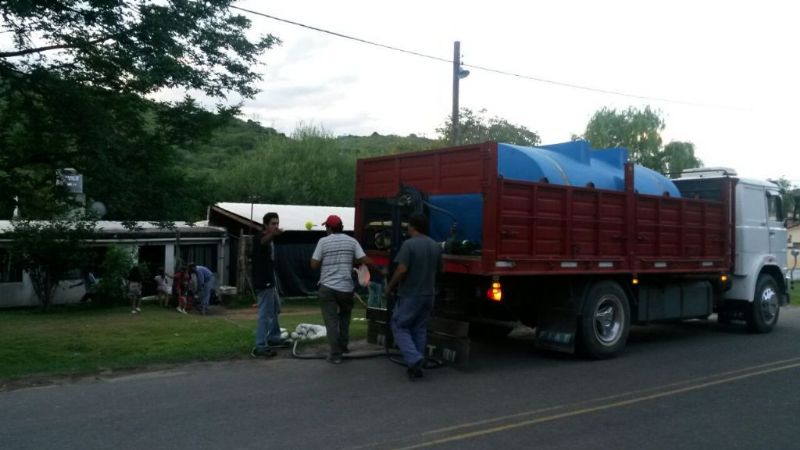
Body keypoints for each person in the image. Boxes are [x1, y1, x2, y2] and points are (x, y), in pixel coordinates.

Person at [311, 214, 375, 364]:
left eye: (326, 227)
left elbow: (313, 265)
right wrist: (380, 270)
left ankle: (335, 354)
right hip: (346, 288)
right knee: (345, 318)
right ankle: (344, 346)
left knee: (331, 321)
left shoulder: (323, 241)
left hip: (327, 287)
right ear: (342, 227)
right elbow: (364, 259)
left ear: (329, 228)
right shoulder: (352, 241)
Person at [385, 213, 442, 380]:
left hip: (411, 294)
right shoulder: (435, 246)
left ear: (413, 226)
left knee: (398, 325)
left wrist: (390, 286)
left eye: (408, 225)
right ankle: (416, 366)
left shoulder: (408, 245)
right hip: (428, 294)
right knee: (419, 328)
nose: (407, 228)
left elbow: (402, 269)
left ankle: (414, 358)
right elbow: (440, 269)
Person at [251, 212, 284, 358]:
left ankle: (274, 337)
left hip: (271, 280)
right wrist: (273, 234)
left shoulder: (271, 239)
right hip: (263, 281)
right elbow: (263, 241)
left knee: (275, 309)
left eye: (277, 223)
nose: (275, 226)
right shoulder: (260, 237)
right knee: (265, 315)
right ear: (265, 224)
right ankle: (260, 345)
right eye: (273, 223)